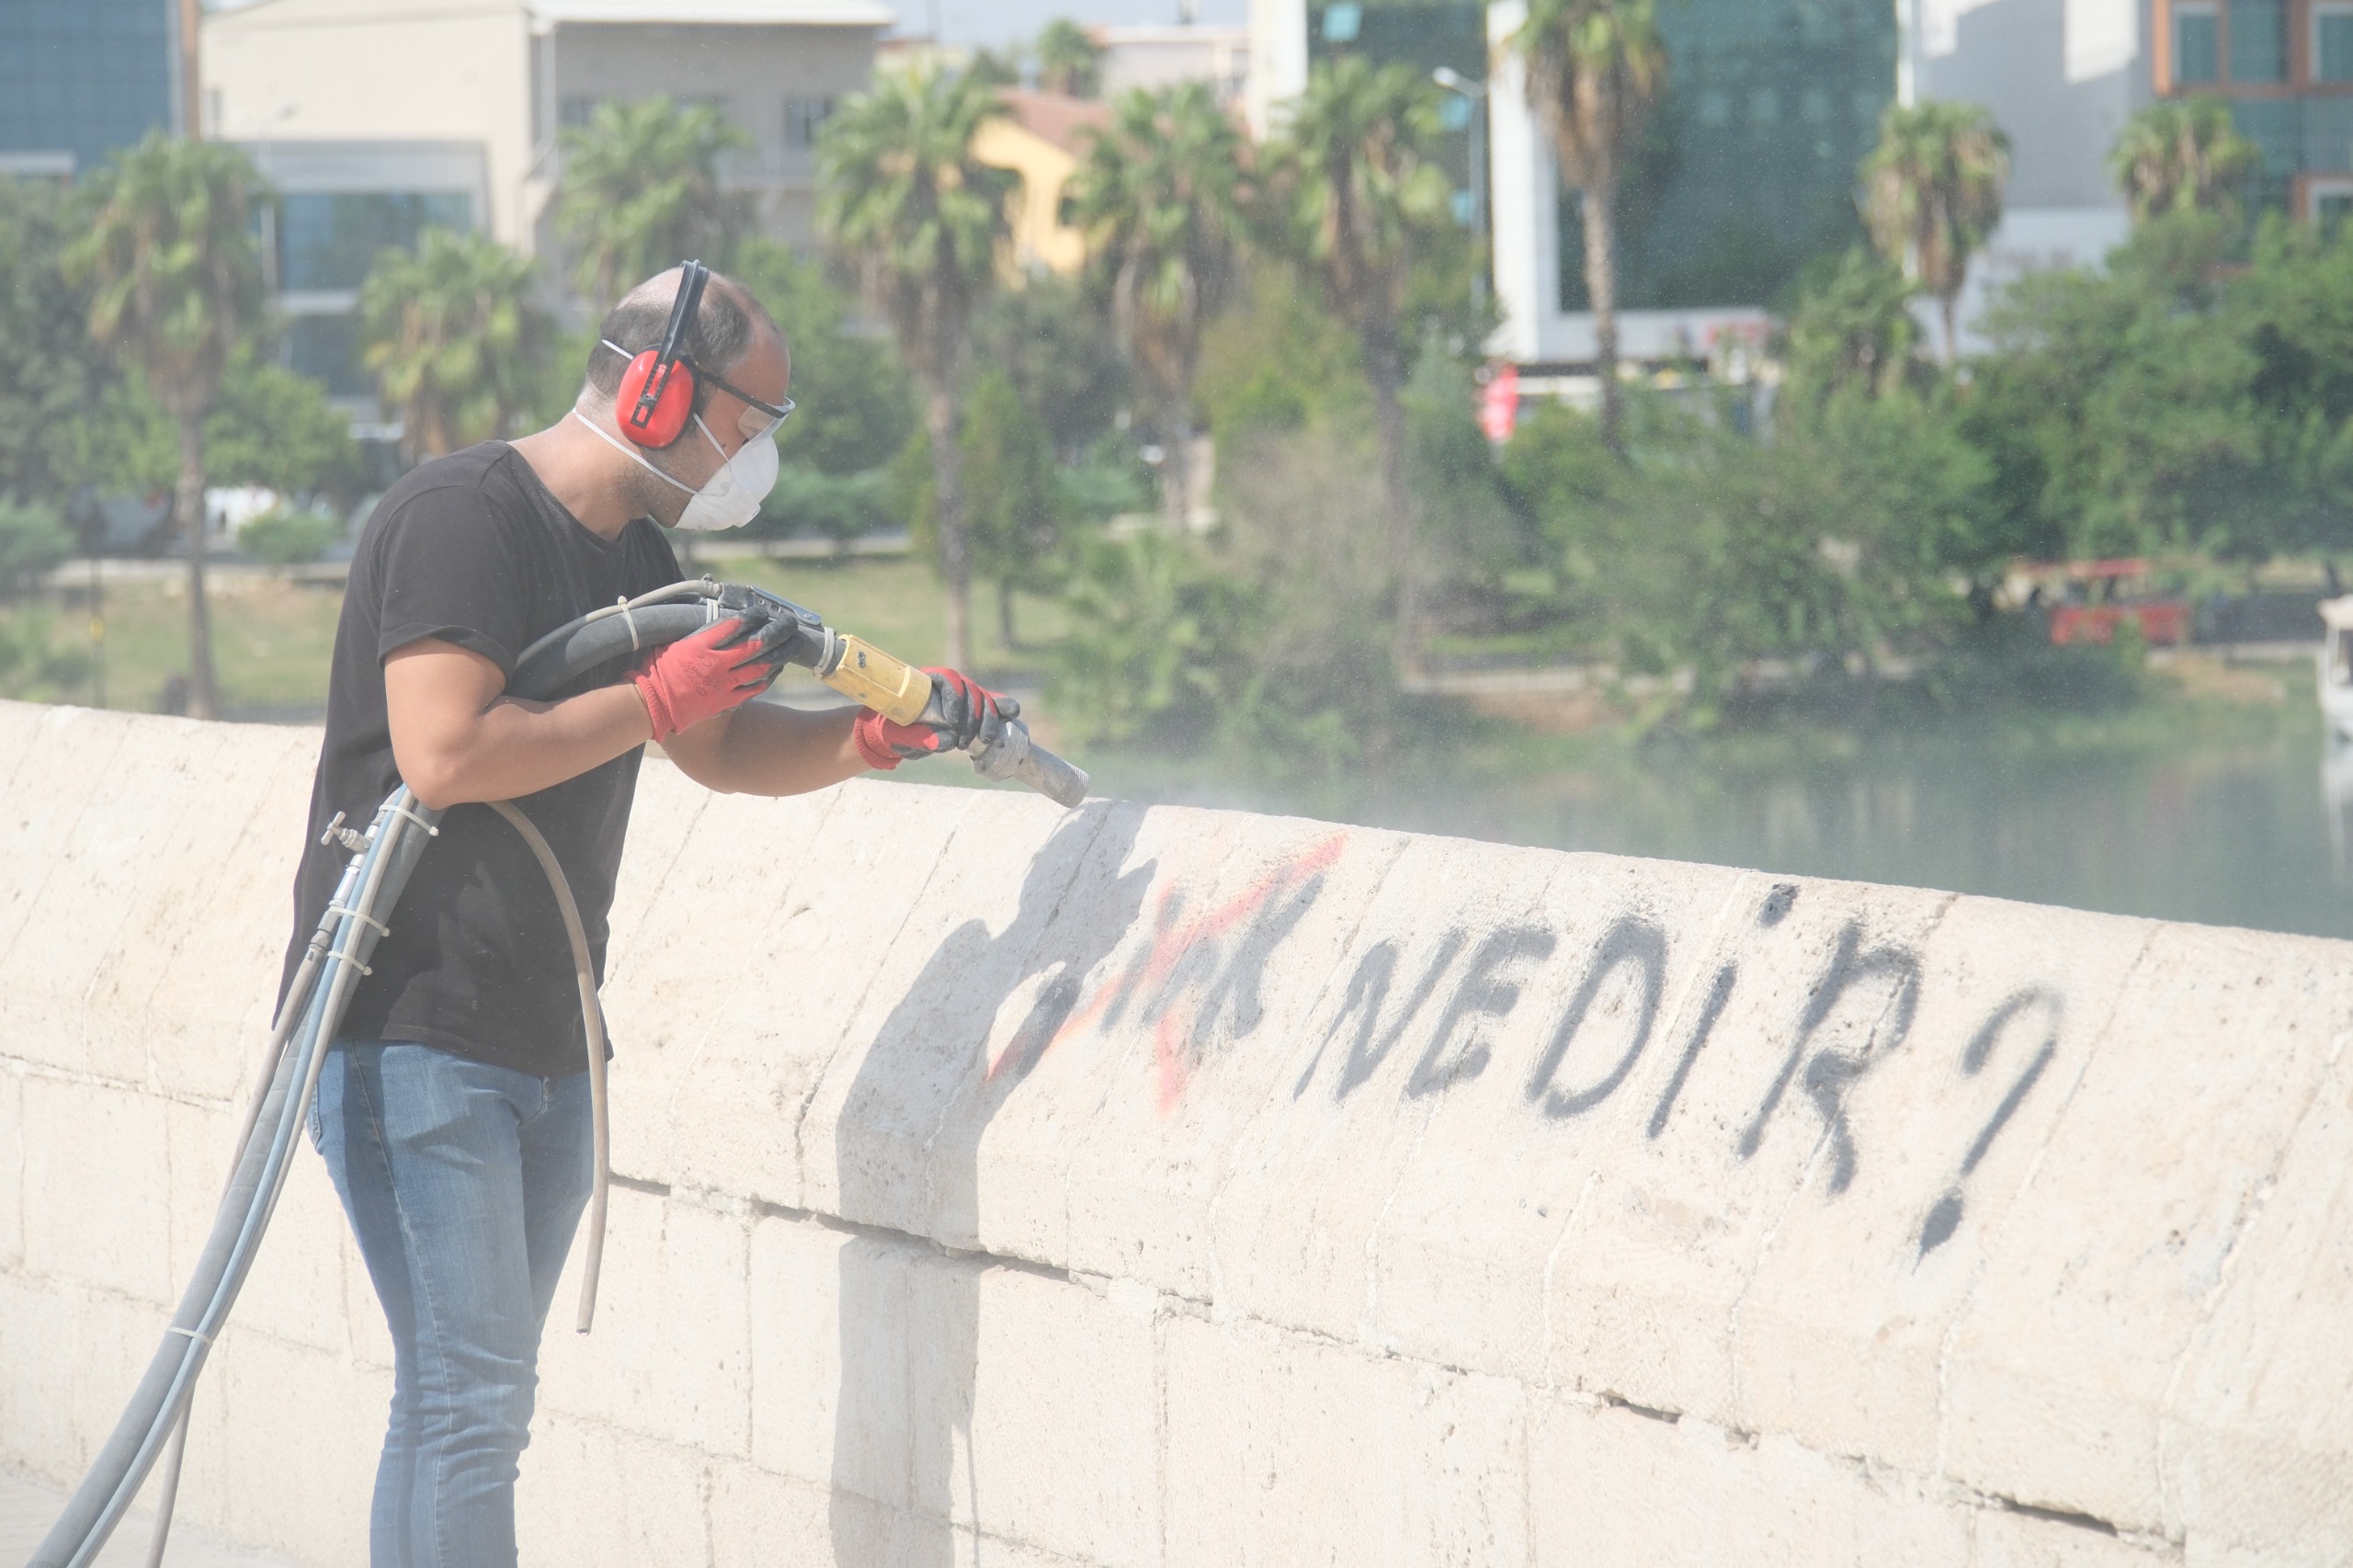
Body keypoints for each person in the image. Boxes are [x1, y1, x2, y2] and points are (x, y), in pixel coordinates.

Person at [283, 264, 1002, 1568]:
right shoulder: (461, 518)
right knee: (470, 1405)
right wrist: (654, 700)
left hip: (547, 1041)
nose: (757, 458)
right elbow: (445, 751)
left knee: (461, 1405)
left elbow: (716, 744)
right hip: (409, 1027)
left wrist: (856, 737)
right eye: (753, 422)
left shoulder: (639, 558)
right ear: (663, 389)